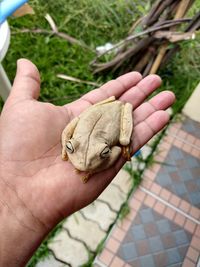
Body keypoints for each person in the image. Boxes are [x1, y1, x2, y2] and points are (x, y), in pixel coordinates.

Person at [0, 59, 175, 267]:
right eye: (72, 148)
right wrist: (67, 147)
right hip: (97, 114)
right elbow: (69, 129)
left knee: (126, 140)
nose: (82, 163)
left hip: (116, 113)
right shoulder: (72, 139)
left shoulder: (102, 148)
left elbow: (117, 149)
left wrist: (93, 163)